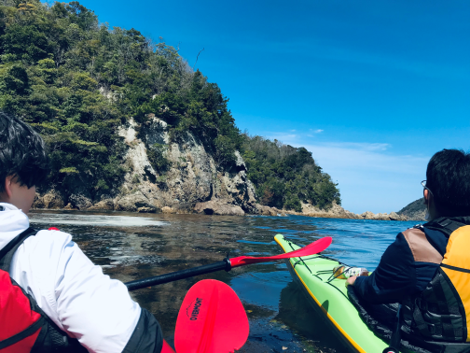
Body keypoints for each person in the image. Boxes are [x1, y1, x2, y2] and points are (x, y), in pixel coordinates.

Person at [0, 111, 169, 352]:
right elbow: (139, 343)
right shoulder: (47, 253)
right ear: (10, 182)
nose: (35, 193)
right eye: (33, 182)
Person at [347, 149, 470, 352]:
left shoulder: (415, 244)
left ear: (427, 195)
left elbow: (374, 291)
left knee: (357, 291)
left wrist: (357, 280)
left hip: (424, 346)